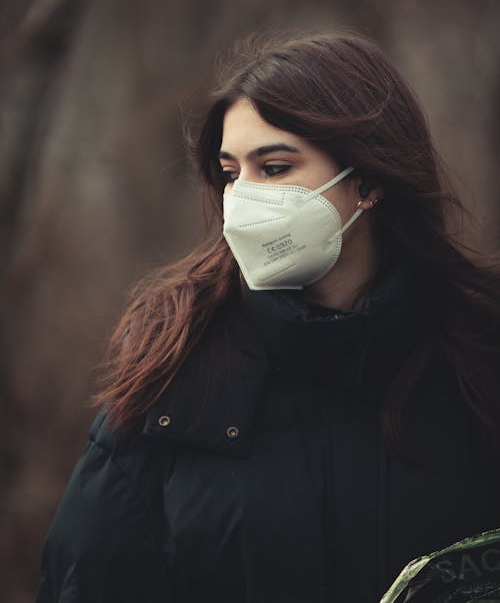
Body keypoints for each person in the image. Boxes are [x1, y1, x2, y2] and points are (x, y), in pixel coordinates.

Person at [36, 31, 500, 603]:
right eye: (231, 173)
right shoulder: (174, 366)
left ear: (371, 180)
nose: (243, 201)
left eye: (275, 168)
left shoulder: (477, 352)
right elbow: (88, 578)